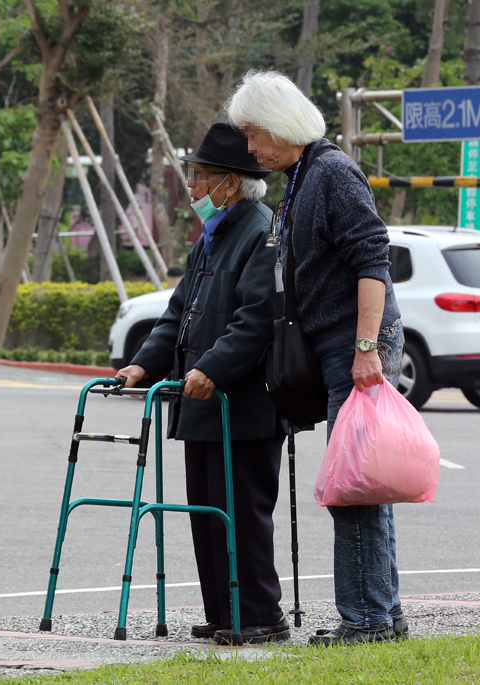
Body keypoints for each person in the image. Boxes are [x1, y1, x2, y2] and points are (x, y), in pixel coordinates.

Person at [225, 69, 407, 646]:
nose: (249, 147)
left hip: (354, 343)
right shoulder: (302, 175)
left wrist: (365, 349)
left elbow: (374, 261)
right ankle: (384, 613)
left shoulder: (330, 171)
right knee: (366, 482)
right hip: (336, 342)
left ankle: (366, 620)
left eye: (254, 134)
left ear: (282, 126)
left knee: (352, 486)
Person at [116, 123, 288, 644]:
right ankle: (224, 613)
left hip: (243, 403)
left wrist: (212, 368)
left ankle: (260, 615)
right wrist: (142, 364)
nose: (192, 189)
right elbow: (177, 313)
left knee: (242, 513)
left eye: (198, 177)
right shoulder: (211, 238)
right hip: (202, 403)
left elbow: (257, 317)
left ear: (229, 184)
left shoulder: (261, 231)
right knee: (206, 512)